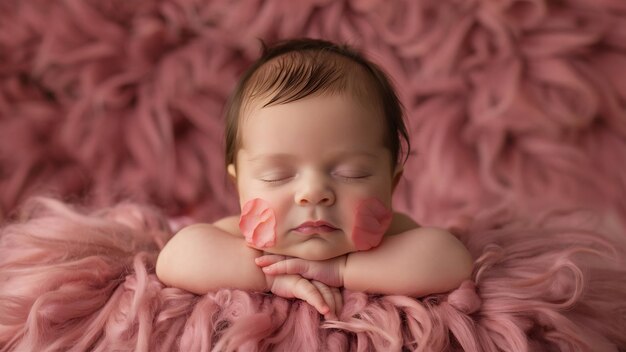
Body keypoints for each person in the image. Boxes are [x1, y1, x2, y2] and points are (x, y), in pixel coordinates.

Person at [156, 38, 473, 320]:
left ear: (391, 183)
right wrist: (270, 277)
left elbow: (452, 261)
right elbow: (174, 258)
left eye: (352, 173)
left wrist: (342, 270)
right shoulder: (238, 242)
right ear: (239, 186)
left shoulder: (393, 238)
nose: (313, 193)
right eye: (277, 175)